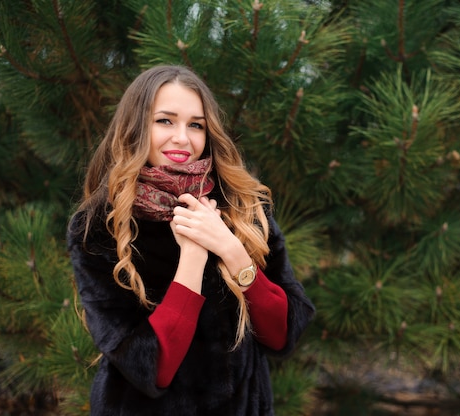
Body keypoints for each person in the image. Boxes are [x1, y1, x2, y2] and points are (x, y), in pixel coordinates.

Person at [66, 64, 315, 415]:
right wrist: (194, 256)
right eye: (165, 121)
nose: (182, 137)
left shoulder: (243, 206)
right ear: (136, 126)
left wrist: (230, 249)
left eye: (195, 124)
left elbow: (282, 335)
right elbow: (151, 369)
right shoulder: (97, 227)